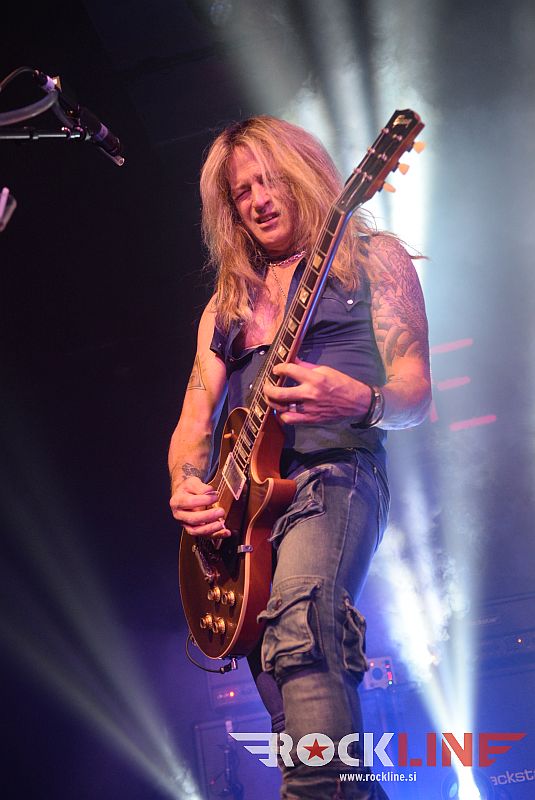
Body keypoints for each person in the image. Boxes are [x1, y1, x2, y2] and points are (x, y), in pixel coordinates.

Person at [169, 116, 431, 799]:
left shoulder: (371, 261)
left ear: (305, 176)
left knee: (302, 624)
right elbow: (194, 423)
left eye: (271, 181)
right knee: (295, 711)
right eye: (242, 191)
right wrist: (186, 484)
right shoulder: (226, 306)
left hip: (335, 477)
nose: (258, 200)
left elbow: (415, 395)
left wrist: (360, 398)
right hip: (244, 525)